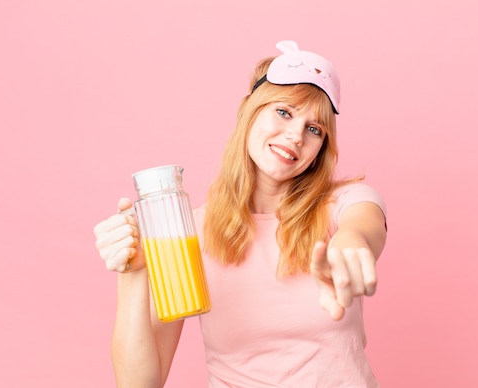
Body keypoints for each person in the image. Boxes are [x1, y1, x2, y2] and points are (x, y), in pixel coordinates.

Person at [94, 40, 387, 387]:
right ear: (250, 110)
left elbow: (362, 227)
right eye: (284, 112)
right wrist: (133, 274)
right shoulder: (191, 234)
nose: (295, 135)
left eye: (314, 129)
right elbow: (141, 383)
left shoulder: (344, 203)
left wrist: (350, 243)